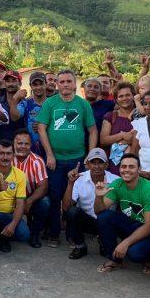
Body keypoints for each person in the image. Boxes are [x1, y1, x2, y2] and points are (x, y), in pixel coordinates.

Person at [36, 69, 97, 247]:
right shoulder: (50, 103)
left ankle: (73, 235)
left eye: (68, 81)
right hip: (54, 160)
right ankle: (54, 234)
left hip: (77, 160)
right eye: (61, 82)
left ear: (75, 84)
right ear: (57, 84)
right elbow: (41, 128)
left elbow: (93, 131)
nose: (65, 85)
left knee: (73, 200)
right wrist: (49, 155)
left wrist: (90, 156)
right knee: (55, 198)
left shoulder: (83, 104)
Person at [94, 154, 150, 274]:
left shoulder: (149, 189)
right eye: (123, 166)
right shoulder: (117, 184)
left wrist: (125, 243)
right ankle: (115, 260)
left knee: (135, 254)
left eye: (131, 166)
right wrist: (98, 197)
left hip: (149, 230)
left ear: (139, 169)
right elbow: (98, 211)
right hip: (131, 224)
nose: (126, 170)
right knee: (104, 216)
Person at [62, 148, 119, 259]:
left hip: (107, 222)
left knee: (109, 254)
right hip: (88, 221)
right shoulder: (79, 178)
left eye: (100, 162)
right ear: (87, 164)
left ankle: (103, 240)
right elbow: (66, 207)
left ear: (107, 164)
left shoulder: (115, 180)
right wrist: (70, 184)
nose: (96, 166)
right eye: (93, 162)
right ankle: (80, 246)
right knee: (72, 211)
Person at [11, 129, 50, 248]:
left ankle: (35, 234)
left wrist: (29, 200)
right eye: (19, 143)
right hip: (11, 198)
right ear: (13, 144)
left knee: (45, 202)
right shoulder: (7, 159)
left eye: (26, 143)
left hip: (30, 198)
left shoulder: (37, 161)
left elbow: (43, 187)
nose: (23, 146)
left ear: (31, 145)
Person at [8, 70, 47, 157]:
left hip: (50, 150)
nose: (38, 87)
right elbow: (14, 117)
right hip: (29, 150)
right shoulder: (26, 103)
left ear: (46, 84)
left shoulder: (52, 103)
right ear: (31, 86)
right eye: (35, 85)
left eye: (41, 84)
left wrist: (44, 126)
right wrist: (15, 99)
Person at [100, 82, 136, 175]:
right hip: (114, 165)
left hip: (136, 163)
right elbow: (103, 140)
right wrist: (122, 135)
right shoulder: (111, 116)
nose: (124, 98)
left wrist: (128, 140)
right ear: (116, 99)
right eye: (121, 96)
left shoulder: (141, 116)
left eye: (128, 95)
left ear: (133, 96)